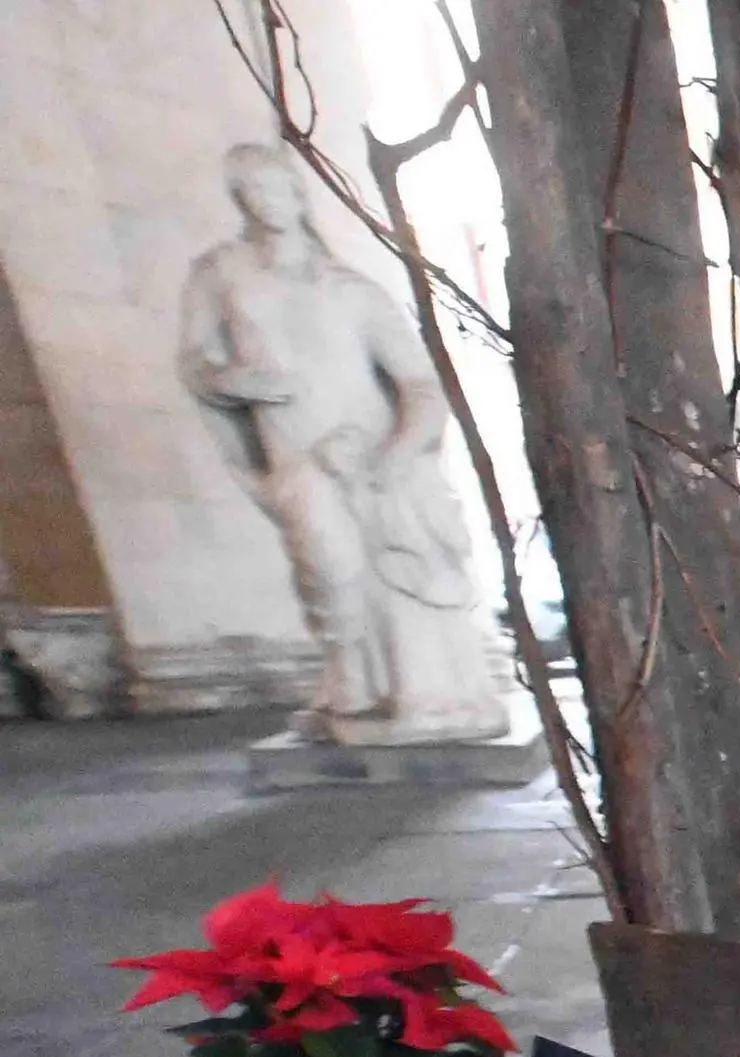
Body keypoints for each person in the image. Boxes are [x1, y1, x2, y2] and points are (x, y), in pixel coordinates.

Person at [177, 145, 503, 744]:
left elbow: (420, 386)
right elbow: (193, 363)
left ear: (298, 195)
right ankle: (351, 677)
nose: (267, 199)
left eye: (277, 186)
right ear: (239, 198)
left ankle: (408, 693)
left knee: (395, 574)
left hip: (371, 450)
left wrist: (393, 456)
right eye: (252, 188)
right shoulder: (219, 273)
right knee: (327, 563)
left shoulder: (351, 290)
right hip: (295, 453)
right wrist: (232, 381)